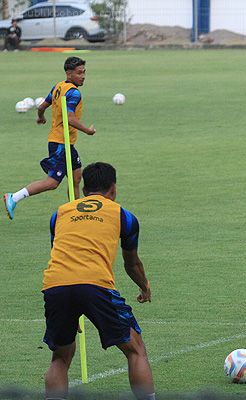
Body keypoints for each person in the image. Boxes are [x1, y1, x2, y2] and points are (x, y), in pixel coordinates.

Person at [42, 162, 155, 400]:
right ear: (113, 189)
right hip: (95, 285)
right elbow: (131, 264)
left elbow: (61, 254)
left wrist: (73, 308)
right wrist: (144, 286)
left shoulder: (59, 214)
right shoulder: (123, 215)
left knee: (60, 356)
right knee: (136, 350)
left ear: (83, 190)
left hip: (56, 286)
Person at [4, 56, 96, 220]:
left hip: (66, 142)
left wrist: (41, 117)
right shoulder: (74, 93)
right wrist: (87, 131)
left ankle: (76, 213)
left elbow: (42, 106)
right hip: (61, 143)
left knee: (76, 177)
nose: (83, 76)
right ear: (69, 73)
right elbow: (71, 118)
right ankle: (14, 197)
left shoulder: (58, 87)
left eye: (84, 72)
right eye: (79, 73)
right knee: (53, 182)